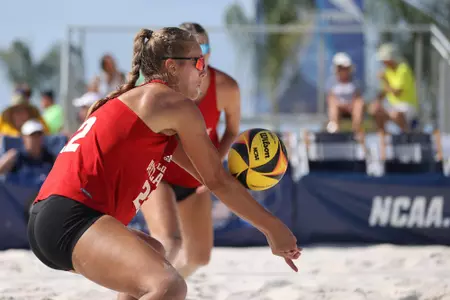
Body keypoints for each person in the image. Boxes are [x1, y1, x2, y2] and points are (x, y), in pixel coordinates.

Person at [27, 27, 300, 300]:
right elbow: (217, 180)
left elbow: (210, 178)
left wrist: (244, 185)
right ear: (171, 66)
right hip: (70, 218)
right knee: (169, 286)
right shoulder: (171, 103)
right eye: (198, 62)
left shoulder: (149, 106)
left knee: (155, 252)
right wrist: (273, 228)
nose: (204, 70)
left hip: (53, 217)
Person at [140, 22, 241, 278]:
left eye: (203, 46)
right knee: (168, 243)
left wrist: (213, 166)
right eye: (192, 48)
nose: (199, 53)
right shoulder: (158, 90)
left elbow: (231, 131)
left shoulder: (226, 87)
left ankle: (160, 288)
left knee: (199, 258)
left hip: (194, 178)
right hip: (158, 174)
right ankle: (142, 289)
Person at [368, 43, 418, 133]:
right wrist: (376, 103)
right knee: (375, 110)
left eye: (384, 60)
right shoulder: (387, 71)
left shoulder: (403, 69)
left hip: (407, 106)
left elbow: (396, 92)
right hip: (393, 106)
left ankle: (406, 134)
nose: (383, 62)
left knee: (395, 114)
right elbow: (384, 92)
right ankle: (383, 138)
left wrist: (384, 80)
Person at [326, 52, 364, 134]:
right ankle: (335, 129)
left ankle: (356, 130)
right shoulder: (332, 82)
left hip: (351, 108)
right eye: (341, 68)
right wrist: (340, 105)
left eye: (345, 68)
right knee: (333, 106)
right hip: (338, 108)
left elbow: (357, 97)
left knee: (359, 104)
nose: (343, 70)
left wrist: (350, 105)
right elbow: (331, 98)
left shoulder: (355, 82)